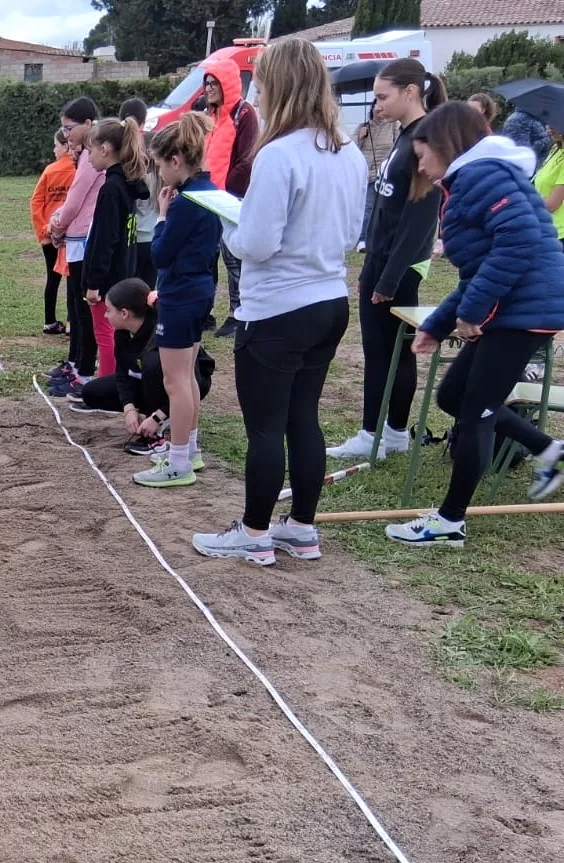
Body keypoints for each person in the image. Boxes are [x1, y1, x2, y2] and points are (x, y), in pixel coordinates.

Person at [191, 37, 367, 566]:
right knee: (303, 419)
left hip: (278, 308)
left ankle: (254, 531)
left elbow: (257, 243)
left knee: (266, 427)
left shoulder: (278, 154)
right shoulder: (348, 151)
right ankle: (301, 527)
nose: (255, 94)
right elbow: (352, 232)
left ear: (280, 87)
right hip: (328, 300)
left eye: (261, 84)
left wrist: (229, 227)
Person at [385, 104, 564, 546]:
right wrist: (439, 324)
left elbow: (519, 242)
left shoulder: (484, 176)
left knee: (476, 411)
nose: (421, 165)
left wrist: (471, 313)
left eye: (423, 154)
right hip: (513, 309)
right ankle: (548, 449)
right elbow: (476, 272)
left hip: (524, 314)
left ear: (447, 147)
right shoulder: (473, 179)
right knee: (452, 396)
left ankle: (450, 522)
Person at [329, 59, 444, 462]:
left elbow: (417, 222)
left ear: (410, 92)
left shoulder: (425, 139)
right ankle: (391, 431)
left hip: (398, 269)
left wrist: (387, 280)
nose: (377, 104)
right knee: (387, 351)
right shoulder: (404, 133)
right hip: (382, 261)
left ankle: (377, 432)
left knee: (385, 352)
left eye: (383, 95)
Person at [133, 112, 222, 488]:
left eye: (158, 166)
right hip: (200, 289)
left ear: (175, 160)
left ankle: (179, 460)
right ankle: (190, 450)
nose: (158, 176)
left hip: (182, 294)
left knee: (176, 381)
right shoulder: (210, 189)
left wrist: (164, 217)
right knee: (185, 376)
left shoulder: (185, 202)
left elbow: (161, 254)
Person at [67, 278, 216, 457]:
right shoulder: (122, 333)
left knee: (151, 367)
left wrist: (157, 417)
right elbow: (122, 374)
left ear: (124, 313)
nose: (105, 316)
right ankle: (152, 415)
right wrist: (129, 408)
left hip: (187, 386)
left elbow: (195, 380)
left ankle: (161, 431)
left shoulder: (162, 333)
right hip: (149, 381)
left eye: (108, 311)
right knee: (92, 392)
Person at [79, 117, 150, 388]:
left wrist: (94, 282)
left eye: (91, 150)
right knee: (115, 335)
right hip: (123, 273)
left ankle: (106, 388)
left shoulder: (111, 188)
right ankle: (118, 385)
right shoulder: (127, 184)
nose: (88, 158)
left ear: (105, 149)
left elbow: (105, 239)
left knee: (104, 334)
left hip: (109, 279)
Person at [48, 98, 102, 394]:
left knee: (83, 309)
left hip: (83, 238)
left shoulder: (92, 157)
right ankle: (75, 363)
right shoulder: (82, 155)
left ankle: (83, 370)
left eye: (70, 128)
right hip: (76, 238)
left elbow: (77, 199)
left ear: (88, 125)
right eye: (63, 129)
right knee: (74, 307)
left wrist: (57, 225)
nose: (66, 135)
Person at [204, 65, 259, 338]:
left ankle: (237, 312)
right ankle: (206, 311)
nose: (209, 88)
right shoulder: (210, 116)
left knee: (233, 257)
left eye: (214, 83)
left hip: (231, 196)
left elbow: (247, 159)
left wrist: (225, 188)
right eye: (207, 84)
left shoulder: (244, 114)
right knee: (207, 255)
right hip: (210, 197)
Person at [31, 129, 76, 336]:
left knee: (53, 277)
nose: (53, 149)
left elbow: (36, 202)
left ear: (66, 145)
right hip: (72, 235)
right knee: (72, 279)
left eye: (56, 146)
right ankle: (70, 323)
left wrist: (43, 230)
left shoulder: (50, 170)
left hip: (50, 234)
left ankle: (49, 321)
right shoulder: (81, 169)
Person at [120, 97, 159, 288]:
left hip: (135, 238)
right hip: (154, 238)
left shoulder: (133, 174)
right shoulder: (161, 178)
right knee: (150, 288)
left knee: (132, 289)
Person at [354, 109, 398, 251]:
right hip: (367, 174)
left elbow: (397, 147)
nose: (378, 112)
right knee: (368, 207)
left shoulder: (393, 126)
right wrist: (360, 137)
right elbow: (351, 148)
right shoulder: (363, 126)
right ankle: (362, 239)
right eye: (375, 108)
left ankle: (382, 238)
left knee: (385, 208)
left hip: (385, 173)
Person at [534, 124, 564, 248]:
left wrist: (525, 199)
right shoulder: (555, 150)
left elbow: (552, 204)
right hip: (545, 229)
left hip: (559, 234)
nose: (549, 127)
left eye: (555, 123)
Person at [501, 104, 552, 168]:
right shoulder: (518, 120)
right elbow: (520, 152)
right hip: (526, 171)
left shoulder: (536, 117)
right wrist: (546, 141)